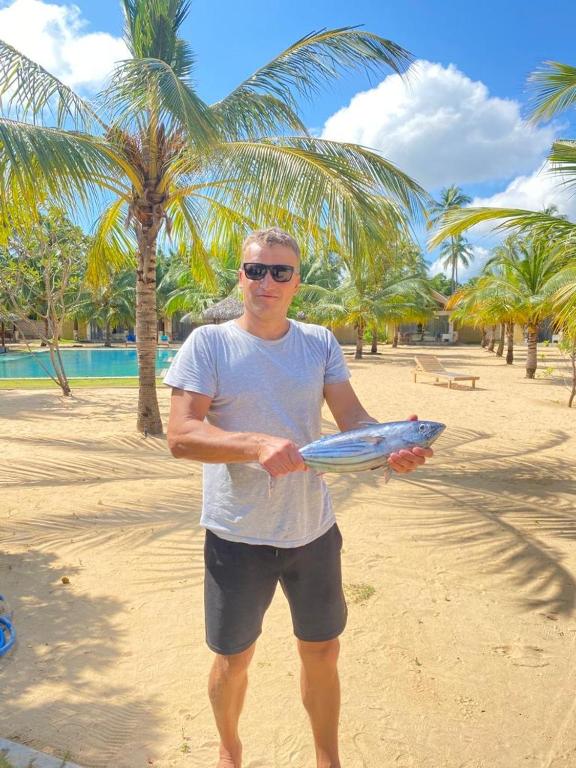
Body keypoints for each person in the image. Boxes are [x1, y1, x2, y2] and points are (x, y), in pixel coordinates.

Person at [165, 228, 433, 768]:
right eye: (256, 270)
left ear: (296, 282)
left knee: (323, 649)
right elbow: (181, 435)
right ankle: (229, 749)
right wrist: (256, 444)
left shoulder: (319, 342)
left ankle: (327, 758)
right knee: (234, 658)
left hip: (313, 530)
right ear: (241, 276)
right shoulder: (208, 343)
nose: (266, 280)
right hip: (237, 534)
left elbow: (352, 419)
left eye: (280, 271)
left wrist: (388, 446)